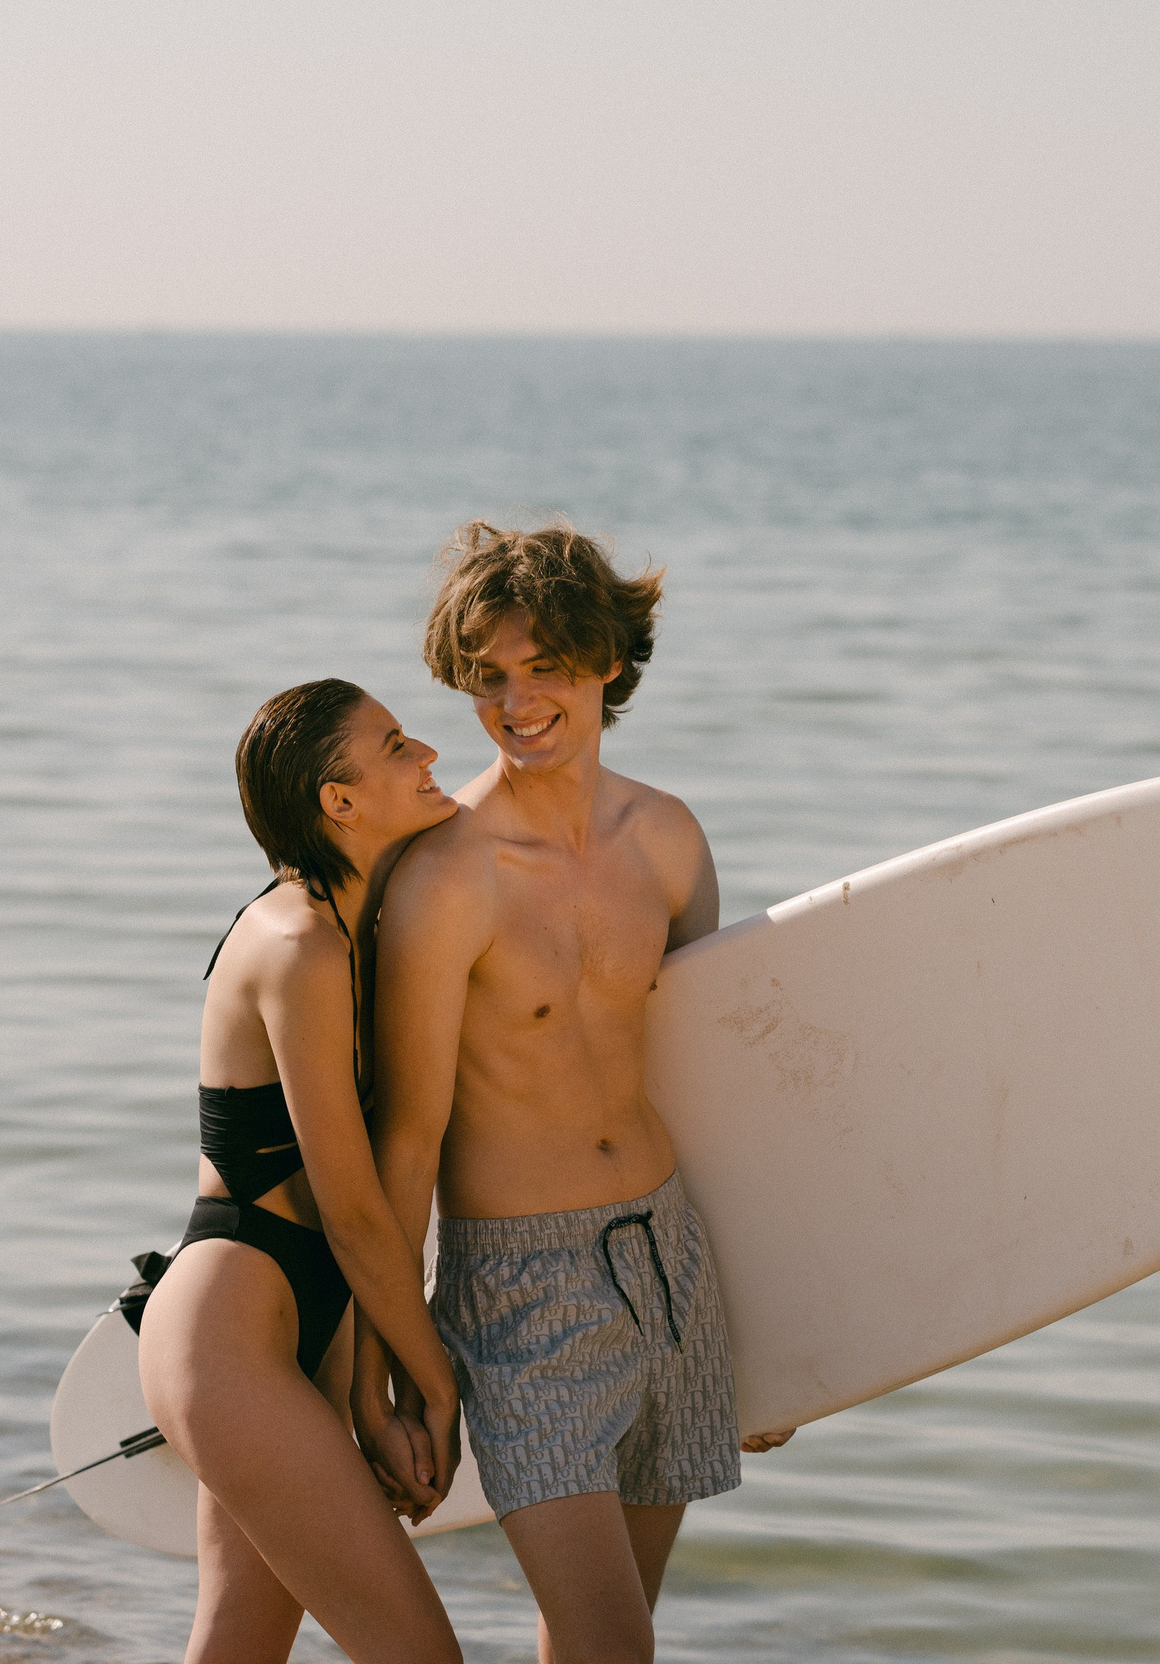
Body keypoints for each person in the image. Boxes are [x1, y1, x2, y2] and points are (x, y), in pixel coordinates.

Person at [364, 521, 791, 1664]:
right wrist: (392, 1368)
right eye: (490, 677)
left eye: (543, 666)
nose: (515, 702)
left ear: (606, 660)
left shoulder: (666, 839)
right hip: (519, 1282)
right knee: (614, 1643)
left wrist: (786, 1335)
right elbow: (403, 1144)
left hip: (672, 1258)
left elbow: (715, 1092)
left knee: (608, 1634)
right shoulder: (445, 875)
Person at [136, 679, 467, 1664]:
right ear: (339, 799)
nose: (428, 757)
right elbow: (355, 1213)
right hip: (232, 1331)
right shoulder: (298, 944)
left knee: (238, 1643)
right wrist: (435, 1388)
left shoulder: (355, 931)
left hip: (293, 1326)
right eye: (398, 745)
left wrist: (364, 1382)